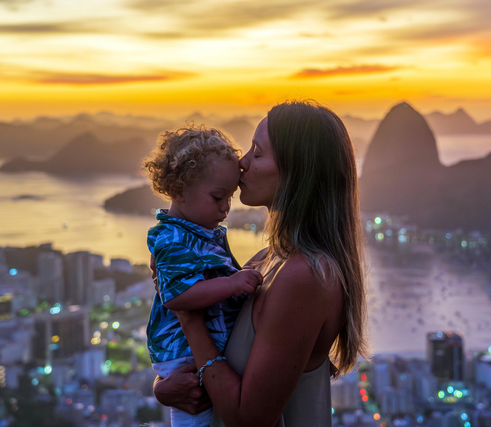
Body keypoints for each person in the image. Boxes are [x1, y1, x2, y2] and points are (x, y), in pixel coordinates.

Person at [153, 101, 369, 427]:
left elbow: (249, 419)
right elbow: (220, 362)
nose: (241, 162)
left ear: (297, 172)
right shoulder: (268, 260)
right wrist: (164, 387)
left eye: (257, 152)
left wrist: (188, 317)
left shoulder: (305, 276)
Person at [143, 126, 264, 427]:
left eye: (229, 197)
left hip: (193, 353)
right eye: (217, 197)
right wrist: (232, 283)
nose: (225, 208)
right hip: (184, 357)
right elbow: (177, 297)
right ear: (179, 191)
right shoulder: (171, 238)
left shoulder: (196, 232)